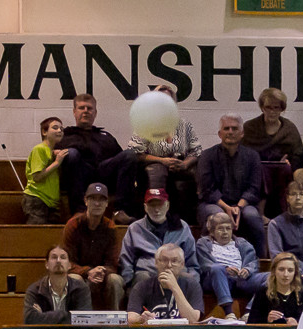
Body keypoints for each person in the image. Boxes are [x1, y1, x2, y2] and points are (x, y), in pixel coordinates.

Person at [58, 93, 138, 223]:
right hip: (80, 175)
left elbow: (121, 160)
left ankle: (120, 211)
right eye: (81, 108)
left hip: (104, 175)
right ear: (74, 112)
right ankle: (79, 211)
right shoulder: (64, 136)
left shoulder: (105, 136)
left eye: (89, 108)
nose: (86, 111)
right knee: (71, 153)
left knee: (129, 154)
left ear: (95, 113)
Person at [127, 83, 202, 219]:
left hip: (179, 163)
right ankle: (155, 214)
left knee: (203, 164)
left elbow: (196, 151)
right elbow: (135, 152)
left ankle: (195, 216)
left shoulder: (184, 125)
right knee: (157, 170)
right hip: (154, 163)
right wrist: (163, 161)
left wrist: (185, 164)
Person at [197, 114, 265, 257]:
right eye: (226, 128)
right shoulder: (207, 155)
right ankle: (208, 259)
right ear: (219, 134)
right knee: (217, 216)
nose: (230, 132)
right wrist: (227, 208)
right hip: (213, 203)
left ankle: (260, 261)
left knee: (252, 216)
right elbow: (207, 190)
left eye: (234, 128)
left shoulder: (253, 156)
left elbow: (254, 188)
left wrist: (238, 207)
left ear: (242, 133)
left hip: (244, 204)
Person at [241, 88, 303, 219]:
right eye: (268, 107)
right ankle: (261, 214)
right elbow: (242, 154)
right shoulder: (250, 127)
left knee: (285, 169)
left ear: (282, 109)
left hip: (282, 173)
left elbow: (298, 154)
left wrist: (290, 163)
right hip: (256, 174)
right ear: (262, 108)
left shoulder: (289, 128)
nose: (272, 111)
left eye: (276, 108)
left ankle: (286, 215)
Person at [119, 188, 198, 289]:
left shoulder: (182, 227)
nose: (156, 210)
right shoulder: (134, 228)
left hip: (176, 274)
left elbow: (192, 261)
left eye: (160, 205)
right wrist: (128, 282)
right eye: (152, 205)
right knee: (142, 277)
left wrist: (193, 281)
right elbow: (126, 259)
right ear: (145, 207)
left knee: (186, 278)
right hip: (146, 274)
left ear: (167, 205)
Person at [62, 183, 124, 310]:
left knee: (116, 280)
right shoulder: (73, 225)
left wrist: (102, 271)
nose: (97, 203)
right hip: (79, 273)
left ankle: (115, 319)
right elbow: (67, 262)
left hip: (102, 275)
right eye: (93, 199)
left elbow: (113, 263)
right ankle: (77, 320)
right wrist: (88, 271)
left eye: (101, 200)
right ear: (85, 201)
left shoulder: (110, 227)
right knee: (74, 279)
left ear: (106, 204)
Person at [196, 212, 267, 320]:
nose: (225, 232)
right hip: (217, 279)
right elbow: (204, 264)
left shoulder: (242, 243)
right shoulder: (203, 243)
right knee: (217, 268)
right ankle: (229, 312)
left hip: (241, 279)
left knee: (271, 277)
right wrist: (225, 269)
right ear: (212, 232)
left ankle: (249, 311)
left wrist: (247, 270)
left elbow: (253, 262)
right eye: (220, 229)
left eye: (228, 228)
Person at [126, 243, 203, 325]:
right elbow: (130, 317)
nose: (169, 265)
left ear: (182, 264)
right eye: (164, 260)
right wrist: (140, 319)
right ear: (156, 263)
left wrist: (175, 287)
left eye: (174, 261)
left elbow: (193, 320)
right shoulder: (142, 286)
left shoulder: (192, 285)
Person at [267, 181, 303, 285]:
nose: (298, 198)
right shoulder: (275, 224)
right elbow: (277, 256)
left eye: (302, 194)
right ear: (287, 198)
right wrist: (297, 272)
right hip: (287, 272)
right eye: (293, 194)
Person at [24, 246, 93, 324]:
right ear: (46, 264)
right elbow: (30, 319)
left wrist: (43, 315)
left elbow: (85, 319)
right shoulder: (35, 290)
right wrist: (67, 315)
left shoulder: (81, 288)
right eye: (54, 257)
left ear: (70, 265)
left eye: (63, 257)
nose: (58, 261)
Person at [22, 116, 68, 224]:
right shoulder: (39, 149)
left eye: (61, 129)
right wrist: (57, 163)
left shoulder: (52, 151)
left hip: (51, 202)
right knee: (37, 231)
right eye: (55, 128)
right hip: (37, 198)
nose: (59, 131)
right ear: (44, 132)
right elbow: (37, 177)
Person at [247, 252, 303, 325]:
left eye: (290, 270)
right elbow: (251, 324)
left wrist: (297, 322)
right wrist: (267, 320)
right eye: (281, 269)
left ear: (295, 273)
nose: (285, 274)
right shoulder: (263, 293)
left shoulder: (302, 292)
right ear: (274, 271)